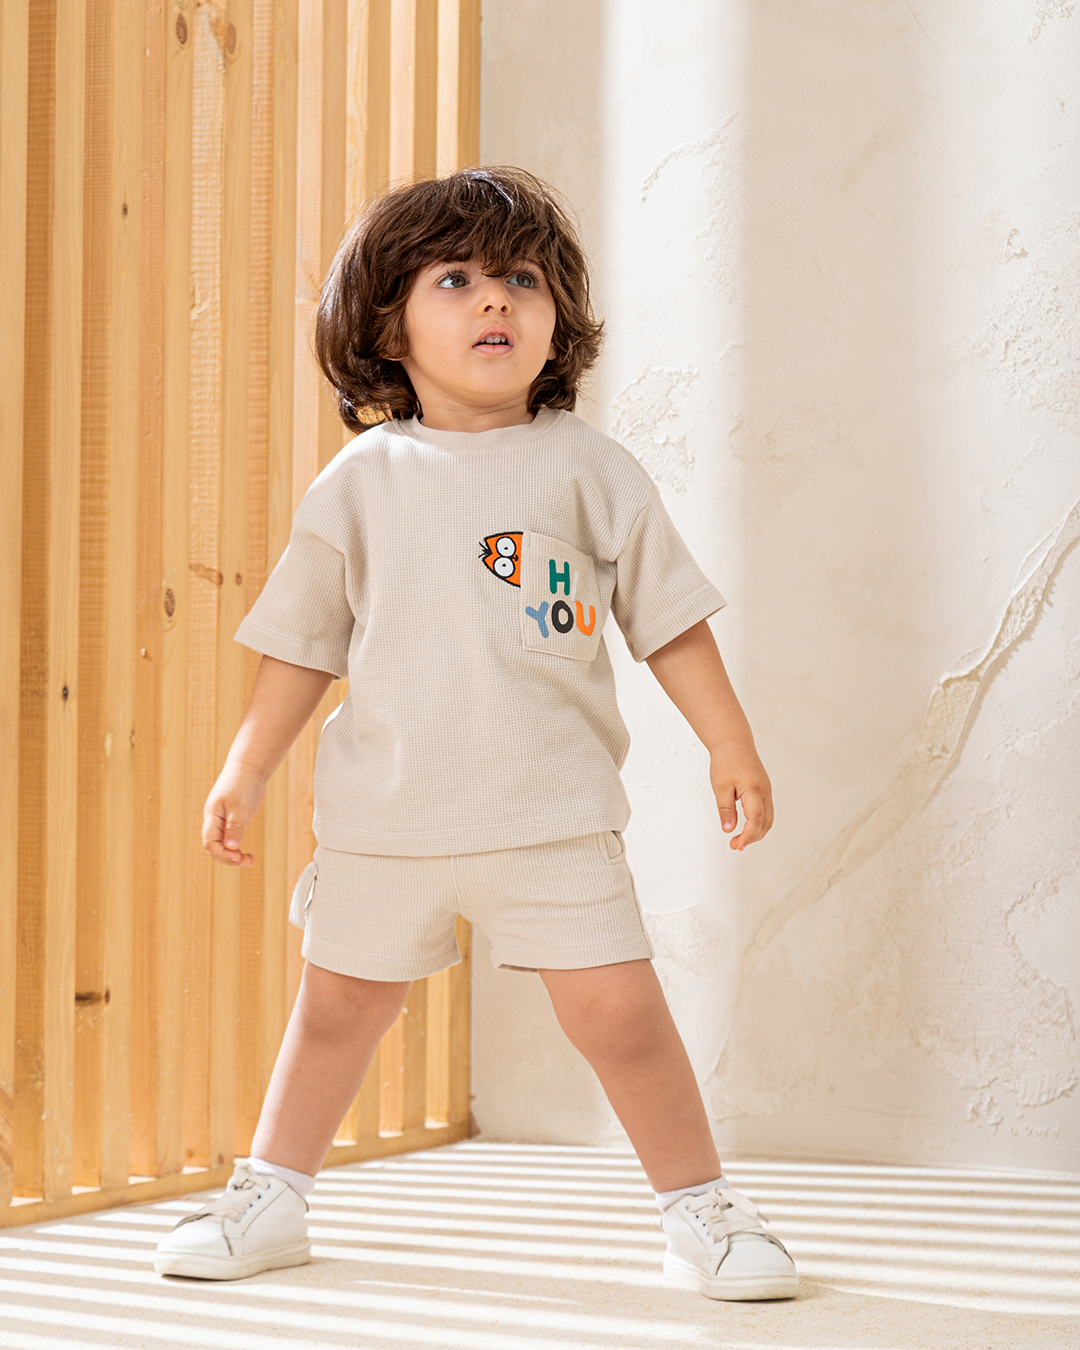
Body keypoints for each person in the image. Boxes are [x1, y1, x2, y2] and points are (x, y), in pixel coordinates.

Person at [154, 166, 797, 1301]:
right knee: (336, 1010)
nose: (495, 299)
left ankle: (700, 1211)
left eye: (521, 279)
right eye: (454, 280)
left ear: (559, 319)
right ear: (388, 328)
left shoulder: (589, 468)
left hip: (549, 815)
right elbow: (302, 642)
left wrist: (729, 744)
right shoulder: (361, 479)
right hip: (385, 818)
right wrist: (245, 767)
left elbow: (671, 622)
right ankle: (272, 1196)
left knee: (622, 1016)